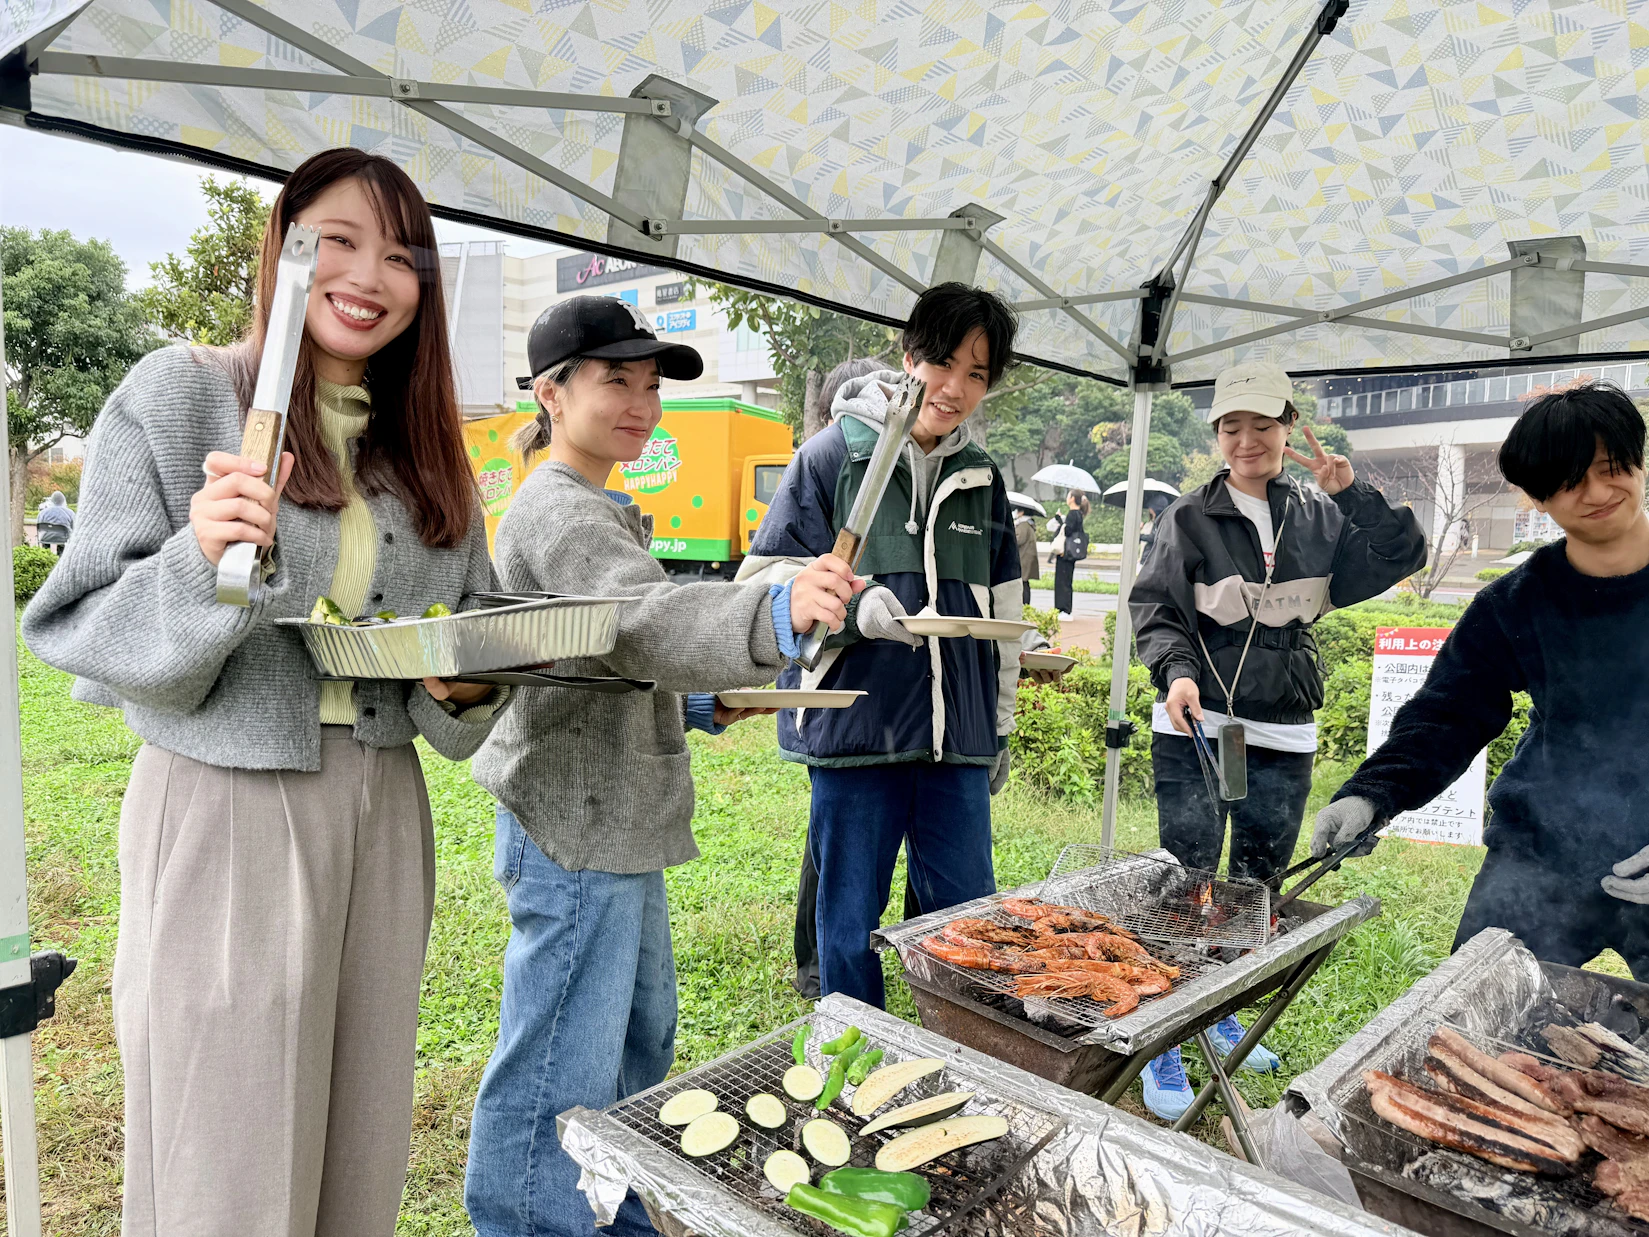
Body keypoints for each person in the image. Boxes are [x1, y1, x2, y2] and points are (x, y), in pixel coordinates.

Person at [22, 149, 505, 1236]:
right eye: (332, 241)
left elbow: (462, 660)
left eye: (399, 255)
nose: (367, 275)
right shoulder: (180, 391)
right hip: (225, 803)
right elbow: (76, 626)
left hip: (384, 813)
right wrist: (202, 554)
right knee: (224, 1152)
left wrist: (468, 679)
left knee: (360, 1135)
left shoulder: (424, 448)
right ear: (281, 249)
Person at [464, 296, 862, 1237]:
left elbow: (596, 660)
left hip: (615, 820)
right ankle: (529, 1220)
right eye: (617, 381)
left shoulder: (599, 503)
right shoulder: (559, 511)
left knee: (633, 1042)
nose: (641, 403)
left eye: (650, 386)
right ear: (551, 393)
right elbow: (635, 617)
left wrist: (695, 700)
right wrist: (769, 614)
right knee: (561, 1056)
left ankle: (611, 1208)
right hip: (575, 824)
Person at [1129, 358, 1426, 1121]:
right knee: (1188, 878)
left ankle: (1221, 1010)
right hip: (1197, 724)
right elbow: (1156, 608)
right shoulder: (1188, 517)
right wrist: (1174, 675)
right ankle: (1162, 1037)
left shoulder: (1319, 516)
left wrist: (1349, 491)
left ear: (1289, 429)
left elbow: (1400, 555)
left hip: (1284, 726)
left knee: (1258, 883)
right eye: (1231, 425)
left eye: (1262, 423)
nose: (1246, 439)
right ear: (1217, 435)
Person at [739, 281, 1023, 1008]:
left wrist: (998, 725)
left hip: (954, 740)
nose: (954, 388)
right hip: (854, 728)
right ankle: (852, 1054)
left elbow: (1004, 615)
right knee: (848, 925)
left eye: (977, 375)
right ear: (906, 355)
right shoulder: (832, 455)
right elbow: (759, 578)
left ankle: (960, 1060)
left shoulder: (983, 479)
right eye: (942, 363)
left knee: (968, 924)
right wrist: (853, 603)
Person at [1314, 382, 1649, 976]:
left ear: (1639, 460)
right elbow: (1448, 713)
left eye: (1610, 467)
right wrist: (1372, 792)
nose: (1597, 492)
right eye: (1570, 481)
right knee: (1465, 1009)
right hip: (1543, 853)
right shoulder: (1515, 604)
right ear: (1538, 498)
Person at [1052, 489, 1089, 614]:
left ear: (1072, 498)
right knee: (1067, 581)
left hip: (1066, 553)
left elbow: (1068, 531)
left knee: (1062, 582)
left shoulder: (1073, 514)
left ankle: (1063, 609)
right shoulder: (1078, 514)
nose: (1067, 498)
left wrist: (1060, 521)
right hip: (1071, 553)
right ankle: (1065, 609)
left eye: (1068, 496)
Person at [1015, 501, 1040, 604]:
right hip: (1028, 557)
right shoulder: (1029, 524)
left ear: (1022, 512)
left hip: (1023, 558)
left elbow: (1017, 540)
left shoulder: (1023, 525)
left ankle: (1024, 604)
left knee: (1023, 583)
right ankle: (1026, 604)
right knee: (1025, 583)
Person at [35, 489, 74, 554]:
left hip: (45, 538)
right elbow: (74, 527)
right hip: (63, 538)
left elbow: (39, 525)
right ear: (63, 500)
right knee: (63, 541)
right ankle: (61, 555)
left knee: (45, 538)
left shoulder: (42, 513)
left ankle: (45, 554)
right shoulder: (70, 513)